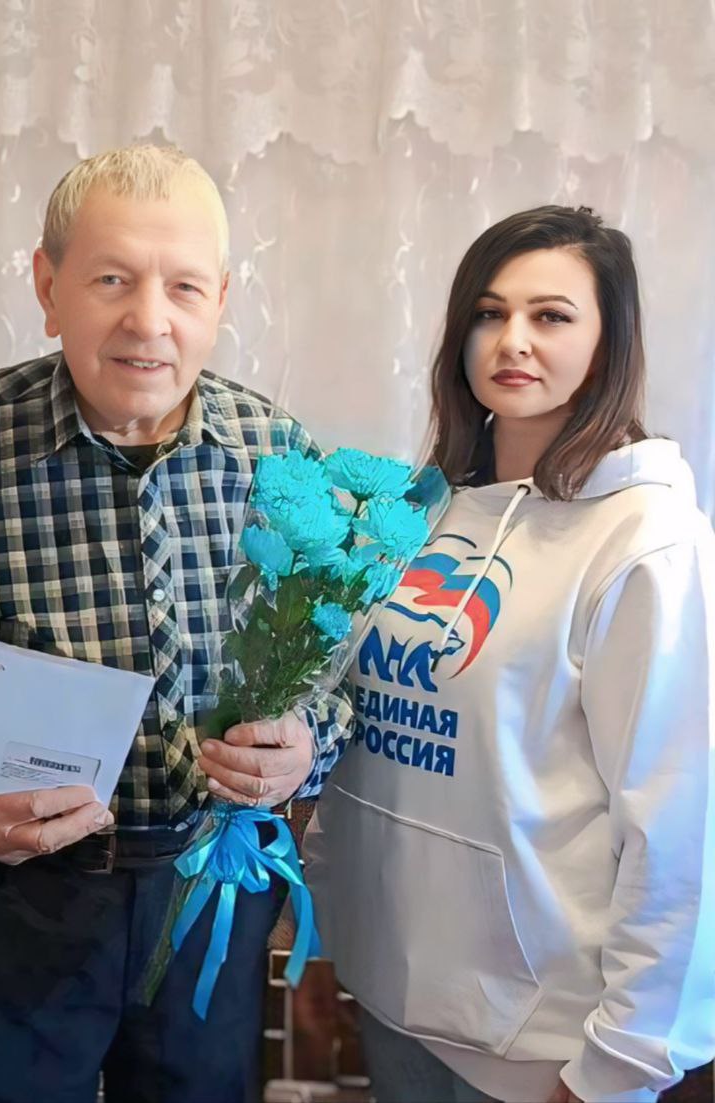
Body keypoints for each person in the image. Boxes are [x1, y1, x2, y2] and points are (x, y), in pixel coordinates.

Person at [0, 143, 352, 1103]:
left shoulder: (278, 456)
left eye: (183, 286)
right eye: (111, 279)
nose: (148, 320)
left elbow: (335, 678)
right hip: (9, 898)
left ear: (221, 299)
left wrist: (303, 745)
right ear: (48, 285)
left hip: (205, 891)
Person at [305, 206, 715, 1103]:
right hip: (396, 997)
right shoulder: (423, 511)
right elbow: (368, 743)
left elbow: (680, 823)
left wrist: (621, 1064)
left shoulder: (649, 540)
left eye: (551, 315)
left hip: (545, 1045)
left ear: (608, 343)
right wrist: (333, 928)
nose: (512, 340)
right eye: (489, 313)